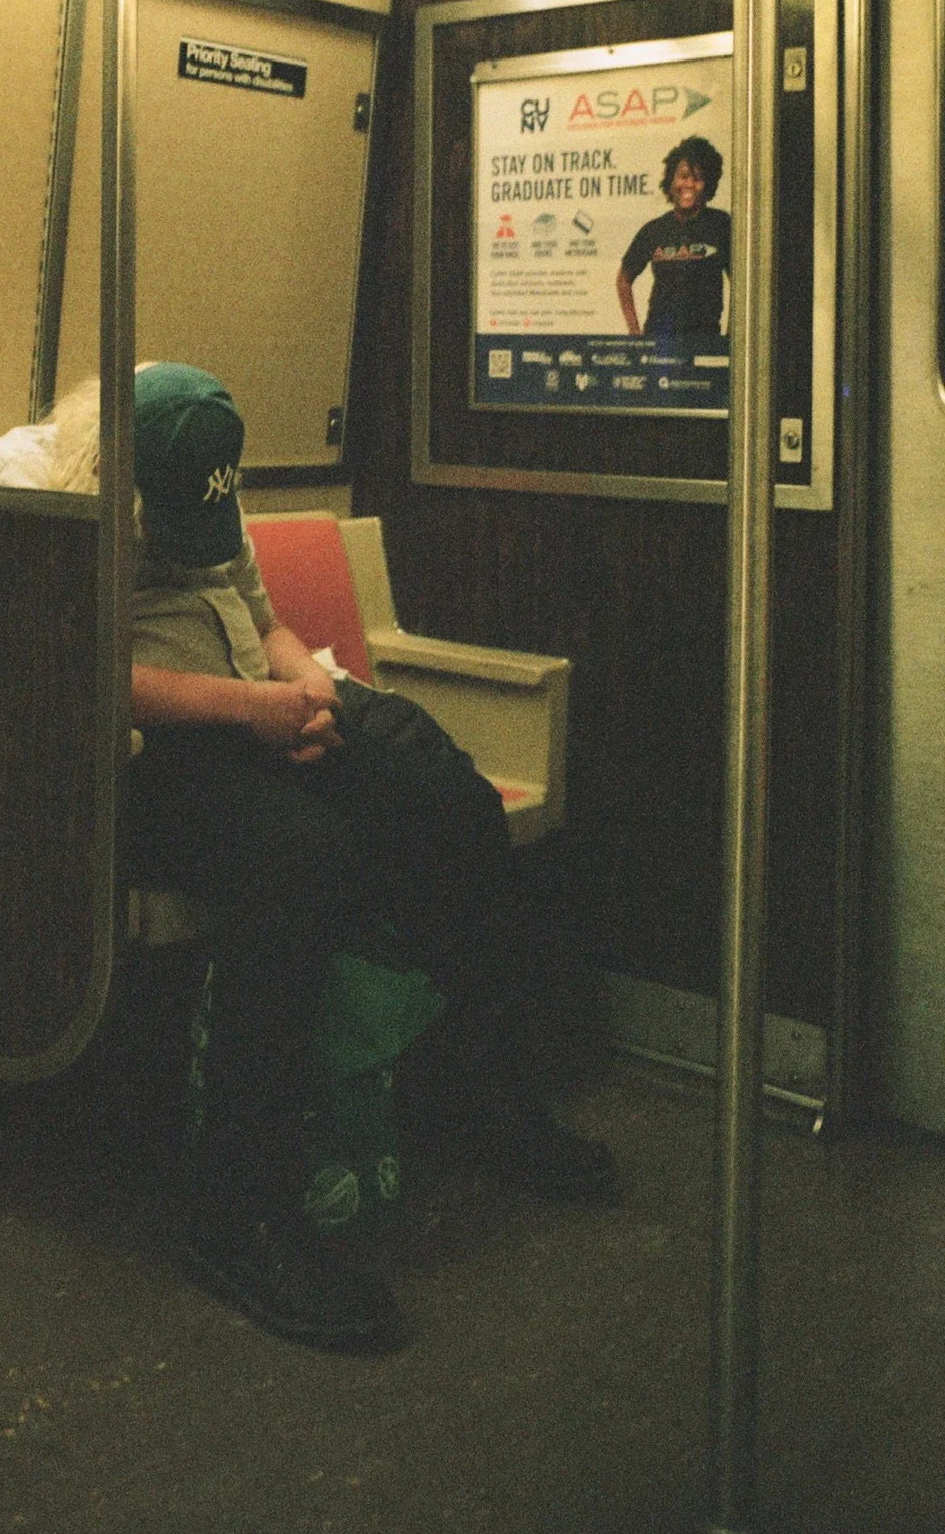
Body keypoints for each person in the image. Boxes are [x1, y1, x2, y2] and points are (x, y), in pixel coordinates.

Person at [121, 362, 615, 1353]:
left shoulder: (204, 472)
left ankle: (486, 1087)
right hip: (145, 752)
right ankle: (237, 1212)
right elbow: (69, 671)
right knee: (303, 858)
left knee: (447, 799)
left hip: (256, 709)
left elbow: (265, 626)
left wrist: (311, 696)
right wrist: (247, 710)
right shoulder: (37, 494)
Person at [616, 135, 731, 339]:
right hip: (659, 342)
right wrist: (634, 331)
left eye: (698, 178)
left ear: (708, 184)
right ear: (671, 181)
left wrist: (733, 335)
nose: (689, 184)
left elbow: (742, 286)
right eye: (683, 176)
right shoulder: (654, 230)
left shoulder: (722, 225)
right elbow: (624, 279)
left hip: (704, 342)